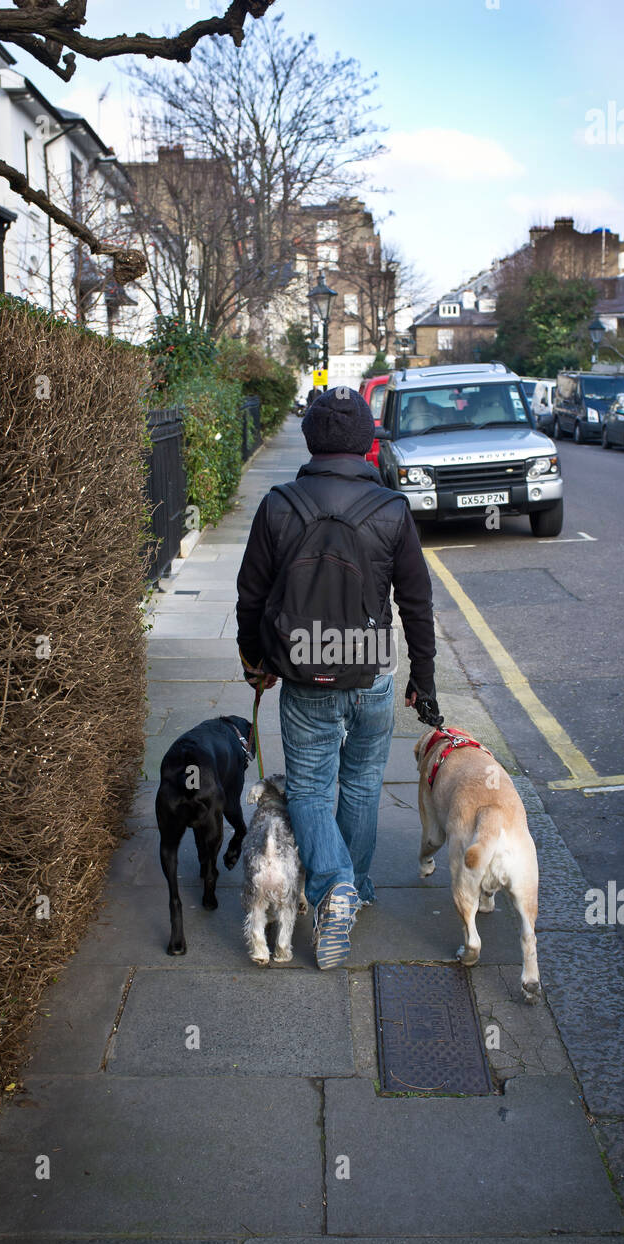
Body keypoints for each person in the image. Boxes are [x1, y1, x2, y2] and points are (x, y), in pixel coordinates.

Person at [236, 386, 437, 969]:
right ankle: (355, 886)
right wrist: (422, 680)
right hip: (370, 670)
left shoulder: (278, 505)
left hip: (304, 672)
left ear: (310, 439)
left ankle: (334, 885)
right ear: (367, 440)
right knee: (363, 784)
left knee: (308, 791)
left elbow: (251, 596)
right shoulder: (392, 509)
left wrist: (256, 661)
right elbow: (417, 604)